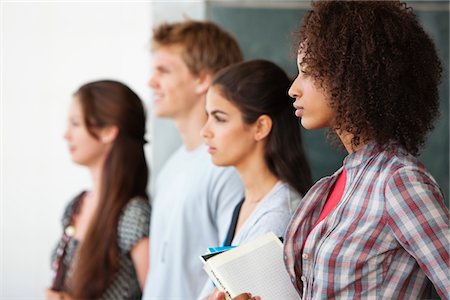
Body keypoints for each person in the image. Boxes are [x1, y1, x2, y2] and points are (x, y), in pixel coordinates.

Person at [218, 1, 450, 299]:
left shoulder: (398, 181)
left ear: (351, 75)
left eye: (308, 72)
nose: (293, 88)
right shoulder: (330, 187)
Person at [142, 20, 245, 300]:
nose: (152, 82)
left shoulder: (226, 168)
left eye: (163, 71)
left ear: (202, 79)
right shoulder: (173, 165)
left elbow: (236, 277)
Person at [199, 59, 313, 299]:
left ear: (260, 127)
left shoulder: (278, 217)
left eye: (219, 118)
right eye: (207, 116)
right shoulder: (246, 205)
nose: (205, 131)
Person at [46, 80, 151, 300]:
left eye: (75, 123)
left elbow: (156, 295)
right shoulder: (76, 205)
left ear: (108, 132)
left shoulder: (133, 214)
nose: (67, 135)